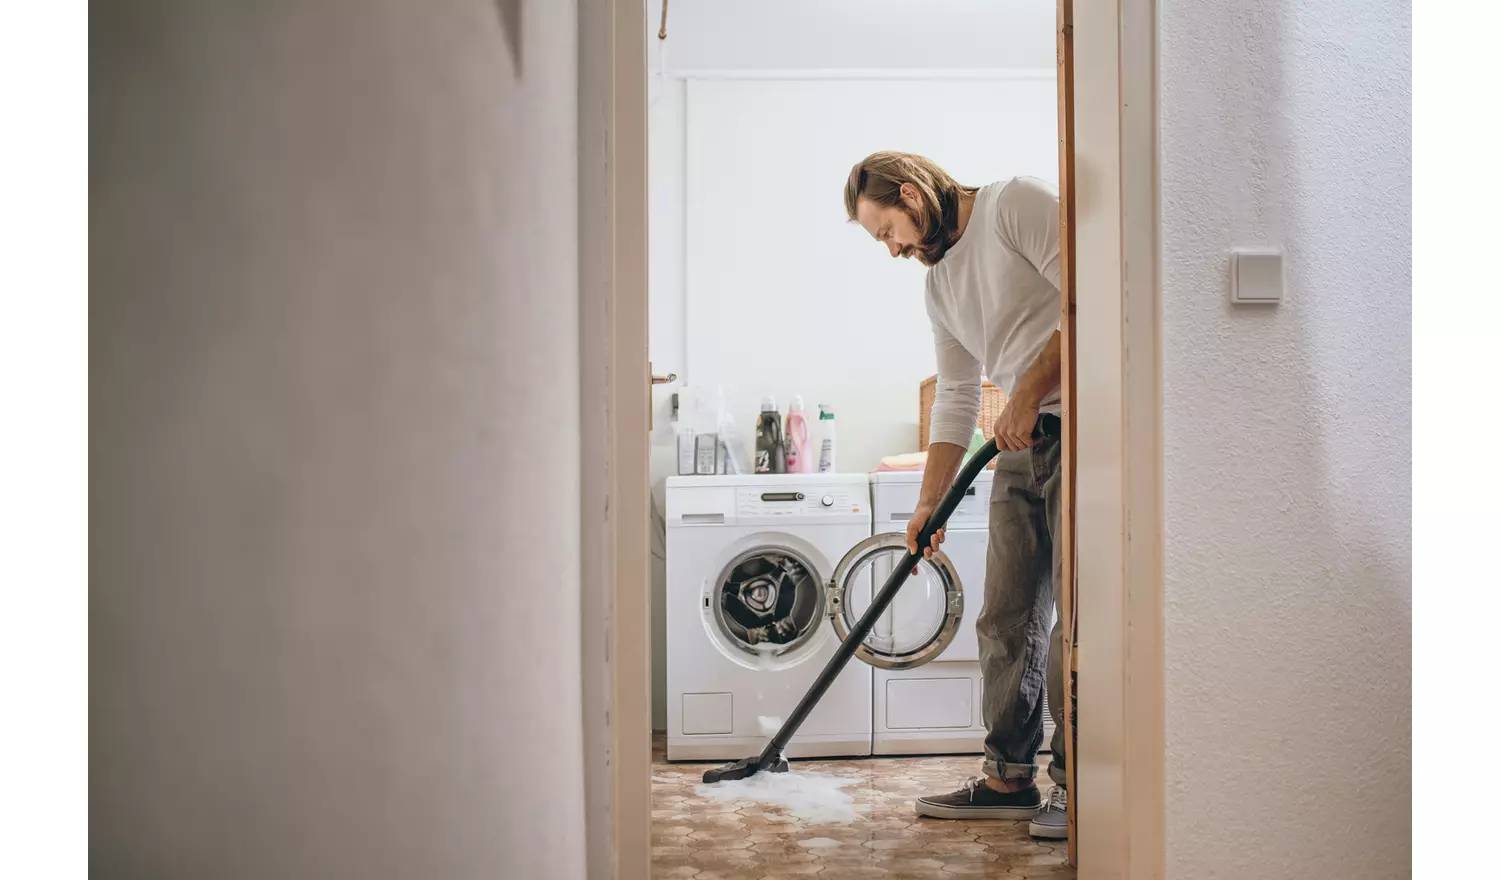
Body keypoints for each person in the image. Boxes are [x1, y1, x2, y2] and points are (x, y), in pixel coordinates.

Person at [844, 151, 1068, 840]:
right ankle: (1008, 777)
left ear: (912, 195)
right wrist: (926, 506)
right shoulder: (940, 287)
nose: (892, 250)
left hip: (1084, 432)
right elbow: (957, 404)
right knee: (1005, 619)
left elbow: (1092, 299)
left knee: (1081, 622)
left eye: (888, 231)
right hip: (1015, 452)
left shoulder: (1017, 205)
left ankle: (1081, 787)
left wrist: (1028, 390)